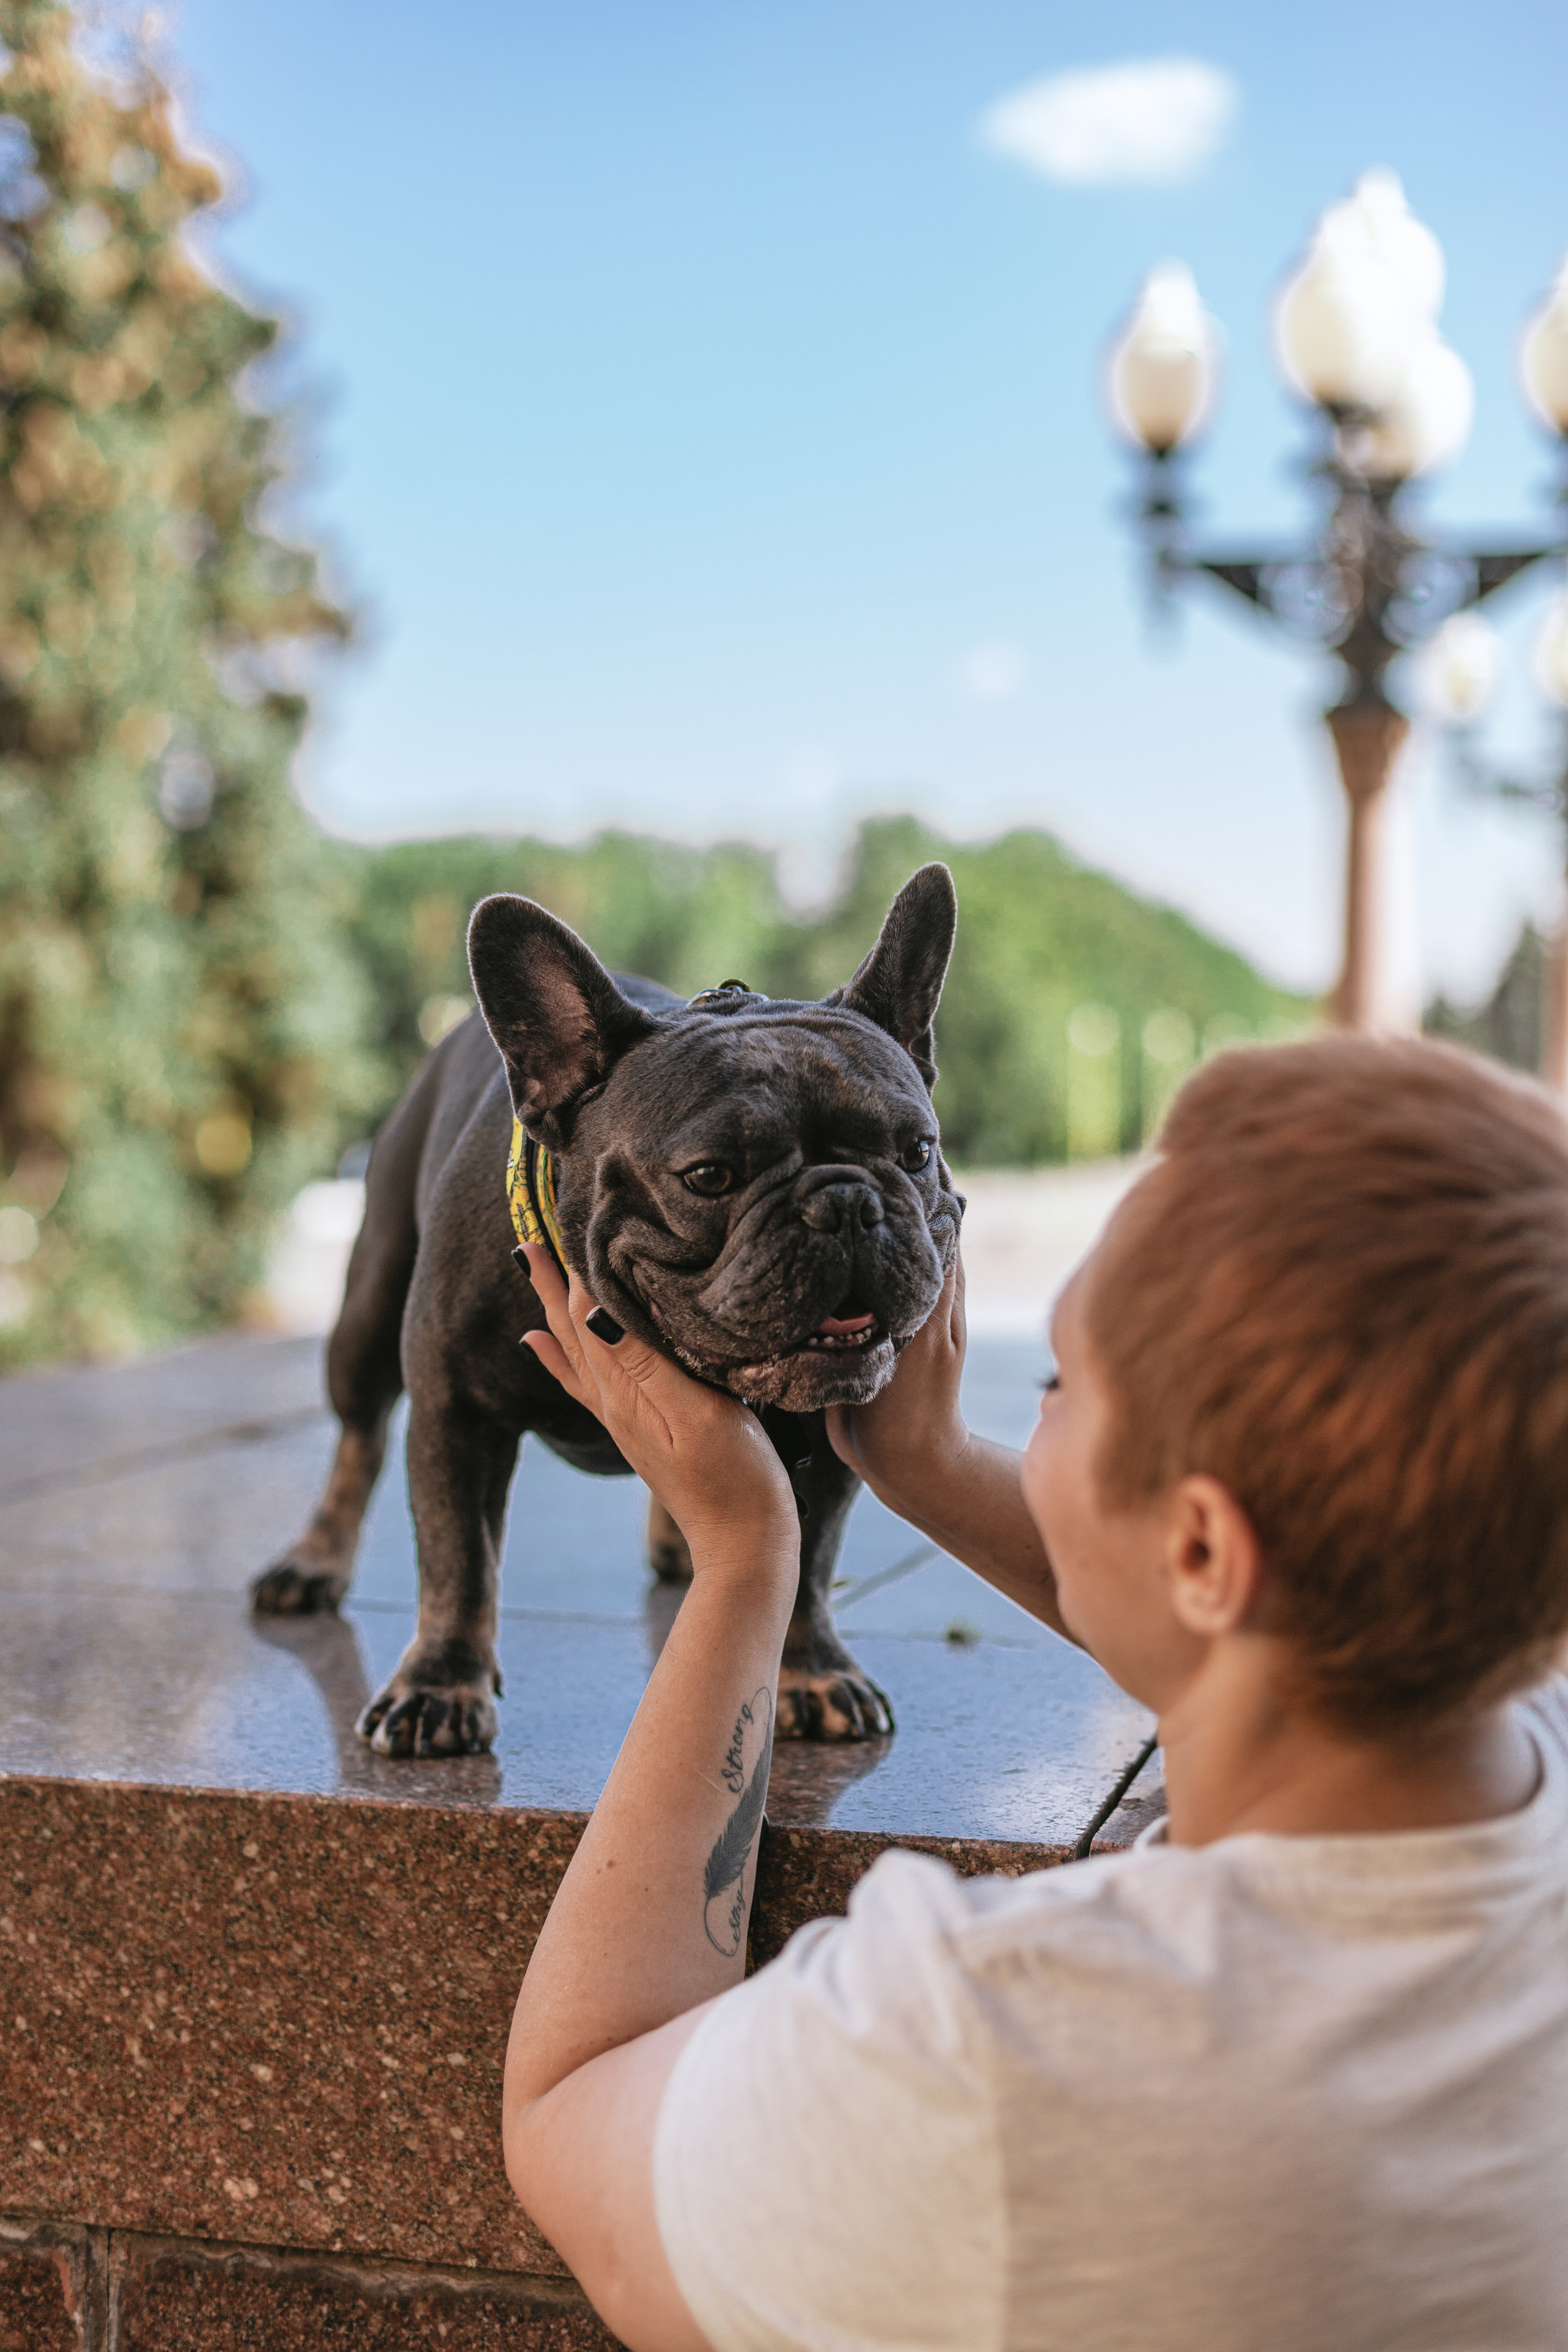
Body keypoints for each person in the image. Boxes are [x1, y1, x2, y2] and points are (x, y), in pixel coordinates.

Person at [500, 1034, 1568, 2352]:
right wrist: (930, 1462)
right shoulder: (1525, 1749)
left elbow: (570, 2112)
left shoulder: (984, 2060)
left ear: (1198, 1550)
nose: (1035, 1409)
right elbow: (1282, 1631)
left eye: (1058, 1385)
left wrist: (740, 1559)